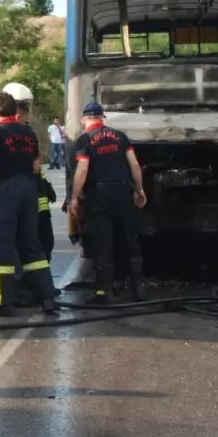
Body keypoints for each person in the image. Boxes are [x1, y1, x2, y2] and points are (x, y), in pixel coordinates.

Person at [0, 92, 58, 316]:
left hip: (4, 192)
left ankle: (2, 303)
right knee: (31, 244)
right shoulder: (28, 133)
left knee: (1, 246)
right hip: (28, 191)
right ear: (15, 111)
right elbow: (35, 167)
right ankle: (47, 297)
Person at [68, 101, 147, 304]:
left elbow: (83, 169)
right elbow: (135, 164)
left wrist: (75, 197)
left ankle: (105, 292)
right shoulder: (120, 137)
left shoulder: (85, 140)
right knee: (129, 238)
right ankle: (138, 289)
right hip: (122, 191)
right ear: (102, 117)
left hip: (99, 194)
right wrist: (139, 190)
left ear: (84, 119)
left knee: (103, 242)